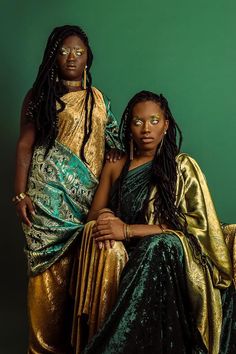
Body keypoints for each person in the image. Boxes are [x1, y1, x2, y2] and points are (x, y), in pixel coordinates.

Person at [72, 91, 236, 354]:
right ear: (129, 126)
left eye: (154, 121)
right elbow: (92, 215)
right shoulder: (116, 165)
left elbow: (191, 228)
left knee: (159, 244)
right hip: (131, 256)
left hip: (179, 256)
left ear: (166, 124)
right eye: (138, 122)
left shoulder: (181, 167)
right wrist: (104, 216)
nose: (146, 129)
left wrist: (126, 230)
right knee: (152, 248)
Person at [13, 25, 122, 353]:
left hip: (88, 202)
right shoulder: (40, 96)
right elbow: (24, 146)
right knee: (46, 282)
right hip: (46, 204)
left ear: (88, 57)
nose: (71, 57)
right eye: (62, 51)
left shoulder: (98, 99)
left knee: (83, 278)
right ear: (52, 56)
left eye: (78, 51)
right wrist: (20, 194)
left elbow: (113, 140)